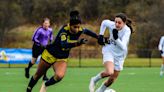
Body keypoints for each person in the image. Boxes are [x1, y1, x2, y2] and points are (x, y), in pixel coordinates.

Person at [26, 10, 98, 92]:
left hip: (62, 57)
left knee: (59, 76)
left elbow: (87, 31)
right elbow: (64, 44)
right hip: (50, 54)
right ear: (70, 25)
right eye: (75, 27)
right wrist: (78, 43)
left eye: (78, 27)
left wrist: (99, 37)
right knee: (37, 75)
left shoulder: (79, 29)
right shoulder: (64, 31)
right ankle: (28, 89)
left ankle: (45, 84)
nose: (77, 29)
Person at [89, 13, 133, 92]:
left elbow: (123, 46)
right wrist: (101, 35)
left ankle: (100, 91)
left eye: (119, 23)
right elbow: (104, 22)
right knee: (109, 72)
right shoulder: (112, 25)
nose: (116, 24)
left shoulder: (127, 31)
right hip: (109, 50)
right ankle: (94, 80)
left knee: (112, 79)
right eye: (115, 22)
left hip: (120, 55)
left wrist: (116, 38)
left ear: (124, 23)